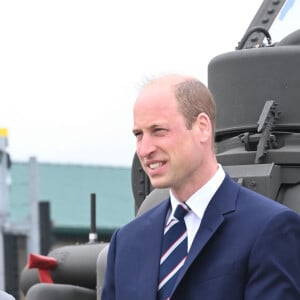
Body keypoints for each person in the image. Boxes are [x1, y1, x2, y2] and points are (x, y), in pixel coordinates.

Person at [102, 74, 300, 299]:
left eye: (159, 131)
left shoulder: (269, 228)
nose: (145, 149)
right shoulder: (126, 242)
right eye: (139, 134)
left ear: (202, 127)